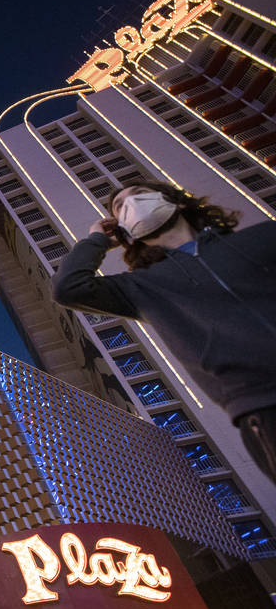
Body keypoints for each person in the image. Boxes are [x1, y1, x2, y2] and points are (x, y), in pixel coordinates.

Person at [52, 181, 276, 481]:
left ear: (179, 202)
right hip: (263, 405)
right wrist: (97, 240)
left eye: (139, 195)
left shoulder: (261, 238)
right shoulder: (140, 287)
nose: (130, 204)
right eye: (120, 207)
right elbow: (69, 288)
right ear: (124, 230)